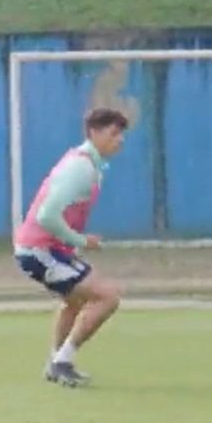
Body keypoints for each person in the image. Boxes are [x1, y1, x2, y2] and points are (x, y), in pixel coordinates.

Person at [13, 107, 128, 388]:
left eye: (121, 134)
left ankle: (57, 362)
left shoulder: (89, 164)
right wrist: (80, 240)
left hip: (45, 249)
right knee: (107, 297)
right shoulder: (81, 168)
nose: (119, 140)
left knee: (75, 301)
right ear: (94, 133)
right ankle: (62, 361)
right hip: (39, 250)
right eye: (113, 134)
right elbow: (47, 215)